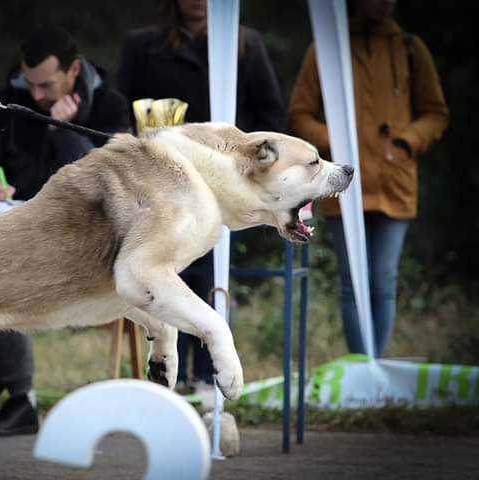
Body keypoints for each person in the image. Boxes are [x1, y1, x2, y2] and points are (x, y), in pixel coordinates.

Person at [0, 25, 130, 437]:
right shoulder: (8, 100)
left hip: (81, 238)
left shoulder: (110, 105)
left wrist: (67, 133)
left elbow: (104, 187)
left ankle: (9, 390)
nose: (36, 95)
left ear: (74, 70)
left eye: (46, 85)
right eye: (29, 83)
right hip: (13, 223)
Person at [116, 0, 285, 393]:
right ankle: (166, 378)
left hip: (224, 185)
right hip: (157, 181)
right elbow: (121, 108)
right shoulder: (142, 45)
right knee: (160, 269)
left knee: (210, 275)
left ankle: (208, 379)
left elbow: (270, 118)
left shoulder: (247, 45)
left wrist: (253, 166)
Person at [287, 0, 449, 356]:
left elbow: (435, 113)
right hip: (345, 183)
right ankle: (362, 365)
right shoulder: (327, 49)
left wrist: (407, 142)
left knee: (383, 281)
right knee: (352, 283)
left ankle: (377, 366)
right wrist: (336, 140)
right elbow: (299, 113)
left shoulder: (409, 47)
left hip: (394, 182)